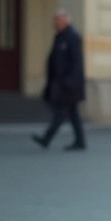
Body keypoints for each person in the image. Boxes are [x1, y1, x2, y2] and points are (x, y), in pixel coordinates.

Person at [32, 9, 86, 151]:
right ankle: (80, 141)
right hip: (60, 82)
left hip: (69, 84)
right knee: (73, 113)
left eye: (58, 19)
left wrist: (71, 80)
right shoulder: (59, 37)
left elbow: (77, 62)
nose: (55, 22)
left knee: (61, 113)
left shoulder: (73, 37)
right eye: (54, 19)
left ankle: (46, 138)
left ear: (66, 20)